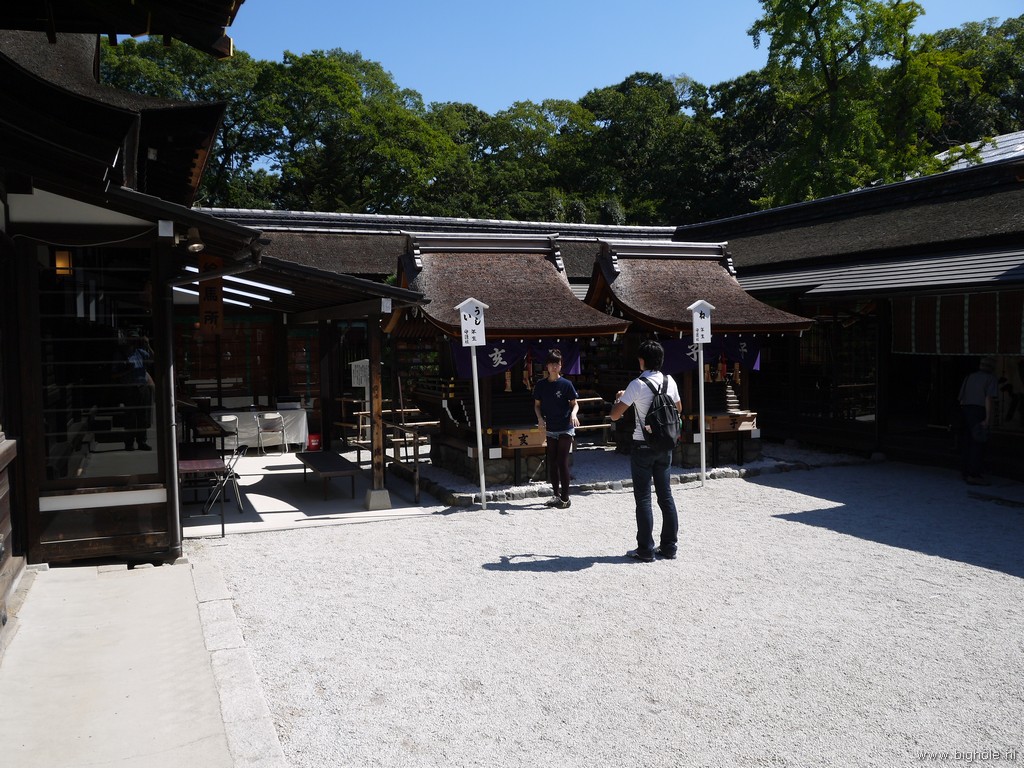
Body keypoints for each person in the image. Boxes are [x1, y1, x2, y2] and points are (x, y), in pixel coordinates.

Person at [609, 339, 682, 562]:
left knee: (643, 498)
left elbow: (615, 415)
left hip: (643, 445)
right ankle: (669, 546)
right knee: (665, 496)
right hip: (665, 445)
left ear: (642, 361)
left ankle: (645, 549)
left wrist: (620, 398)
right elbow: (678, 409)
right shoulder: (670, 381)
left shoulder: (637, 384)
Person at [533, 349, 579, 509]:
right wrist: (540, 418)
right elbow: (537, 405)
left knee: (562, 461)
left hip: (565, 427)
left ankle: (565, 499)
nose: (554, 367)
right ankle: (556, 495)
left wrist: (573, 414)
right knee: (552, 461)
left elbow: (575, 404)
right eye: (551, 364)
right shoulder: (541, 385)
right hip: (551, 427)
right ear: (547, 366)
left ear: (561, 365)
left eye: (557, 364)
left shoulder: (566, 384)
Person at [958, 356, 998, 485]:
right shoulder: (990, 378)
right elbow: (988, 399)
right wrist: (988, 418)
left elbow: (961, 399)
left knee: (967, 442)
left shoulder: (969, 377)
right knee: (978, 444)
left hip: (966, 411)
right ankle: (973, 474)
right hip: (979, 411)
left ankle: (965, 471)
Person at [121, 330, 154, 451]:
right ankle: (129, 443)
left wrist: (147, 345)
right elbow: (115, 373)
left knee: (143, 416)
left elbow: (153, 358)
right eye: (131, 339)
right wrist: (127, 369)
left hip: (142, 387)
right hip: (129, 387)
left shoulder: (140, 352)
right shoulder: (122, 354)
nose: (133, 342)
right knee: (130, 416)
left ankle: (142, 441)